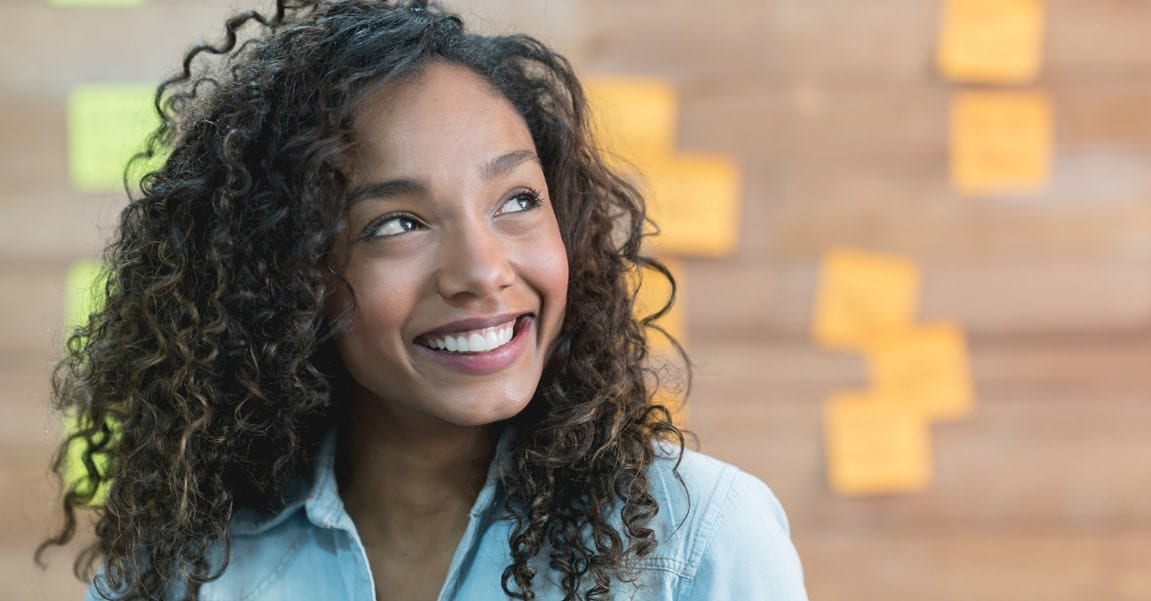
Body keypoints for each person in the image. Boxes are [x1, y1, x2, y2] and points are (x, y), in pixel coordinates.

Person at [38, 1, 808, 599]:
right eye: (397, 222)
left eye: (515, 200)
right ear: (289, 273)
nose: (480, 269)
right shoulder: (187, 569)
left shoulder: (698, 540)